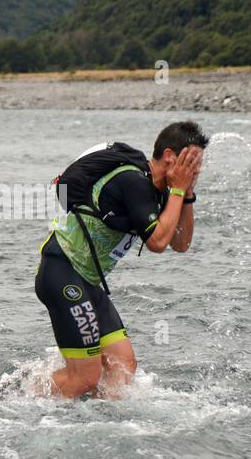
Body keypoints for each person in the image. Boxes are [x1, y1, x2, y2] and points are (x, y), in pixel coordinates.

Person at [35, 120, 207, 398]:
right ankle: (18, 395)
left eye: (198, 163)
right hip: (62, 272)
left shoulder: (163, 192)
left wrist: (185, 194)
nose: (197, 170)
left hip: (88, 282)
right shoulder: (133, 180)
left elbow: (181, 243)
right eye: (191, 162)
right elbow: (157, 242)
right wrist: (178, 190)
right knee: (85, 378)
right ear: (169, 156)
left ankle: (94, 427)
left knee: (122, 367)